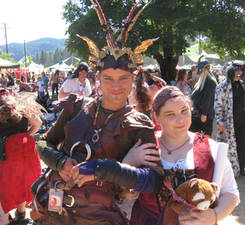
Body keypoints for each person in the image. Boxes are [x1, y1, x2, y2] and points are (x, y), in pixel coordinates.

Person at [34, 1, 160, 224]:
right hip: (56, 212)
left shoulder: (140, 124)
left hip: (101, 217)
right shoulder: (75, 107)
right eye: (108, 78)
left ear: (133, 80)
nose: (116, 86)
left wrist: (104, 169)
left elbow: (153, 181)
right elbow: (43, 143)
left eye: (123, 78)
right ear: (98, 79)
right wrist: (60, 162)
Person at [74, 86, 239, 225]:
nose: (180, 119)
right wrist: (129, 161)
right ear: (157, 118)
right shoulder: (143, 146)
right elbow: (119, 193)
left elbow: (230, 193)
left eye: (184, 111)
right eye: (170, 114)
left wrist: (214, 215)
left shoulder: (211, 148)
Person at [0, 89, 42, 225]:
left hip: (8, 147)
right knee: (24, 179)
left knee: (5, 183)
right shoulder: (21, 105)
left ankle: (4, 220)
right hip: (27, 144)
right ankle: (21, 213)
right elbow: (38, 123)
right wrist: (27, 133)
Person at [215, 62, 245, 177]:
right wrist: (220, 122)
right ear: (231, 71)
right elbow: (218, 106)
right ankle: (231, 170)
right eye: (237, 70)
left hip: (242, 122)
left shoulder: (242, 85)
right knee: (230, 147)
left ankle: (243, 167)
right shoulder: (222, 86)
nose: (239, 73)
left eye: (241, 70)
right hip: (229, 123)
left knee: (243, 144)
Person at [190, 60, 217, 136]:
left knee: (204, 139)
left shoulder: (210, 82)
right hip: (197, 113)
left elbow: (208, 99)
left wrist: (204, 113)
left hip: (204, 115)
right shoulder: (202, 81)